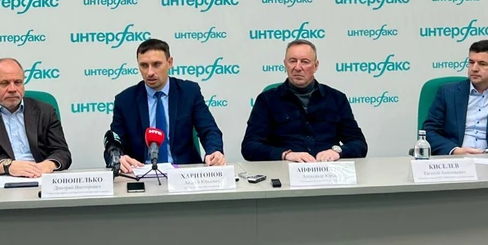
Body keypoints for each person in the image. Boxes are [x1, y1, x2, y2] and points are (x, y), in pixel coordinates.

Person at [108, 39, 225, 173]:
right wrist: (117, 157)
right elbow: (113, 142)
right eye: (144, 65)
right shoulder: (125, 100)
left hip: (183, 172)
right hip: (140, 172)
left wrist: (214, 151)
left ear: (169, 63)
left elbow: (209, 129)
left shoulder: (189, 92)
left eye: (156, 64)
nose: (150, 72)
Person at [242, 39, 367, 161]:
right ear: (285, 64)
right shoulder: (267, 100)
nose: (297, 67)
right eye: (292, 61)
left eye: (305, 61)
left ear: (315, 66)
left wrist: (336, 152)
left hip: (327, 169)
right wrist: (285, 155)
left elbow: (359, 144)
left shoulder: (337, 98)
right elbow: (249, 147)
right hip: (284, 169)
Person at [0, 58, 71, 176]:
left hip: (40, 177)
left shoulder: (45, 111)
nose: (12, 89)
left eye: (17, 82)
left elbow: (62, 152)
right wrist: (6, 166)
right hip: (3, 180)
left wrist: (49, 165)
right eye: (4, 83)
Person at [423, 39, 488, 156]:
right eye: (471, 62)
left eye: (482, 64)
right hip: (454, 159)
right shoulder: (447, 93)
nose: (474, 68)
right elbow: (429, 131)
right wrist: (455, 151)